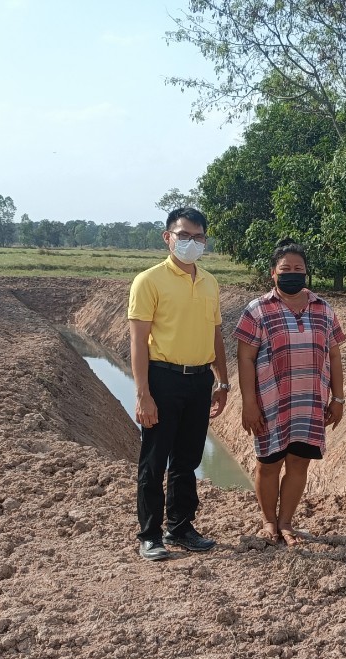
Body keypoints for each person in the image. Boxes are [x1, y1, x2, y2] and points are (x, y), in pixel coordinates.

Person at [128, 207, 230, 561]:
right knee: (154, 462)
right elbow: (138, 342)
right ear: (167, 237)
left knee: (187, 460)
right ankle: (151, 534)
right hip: (163, 379)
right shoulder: (149, 281)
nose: (191, 243)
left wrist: (223, 381)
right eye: (183, 235)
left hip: (199, 379)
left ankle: (181, 526)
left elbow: (215, 334)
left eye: (198, 237)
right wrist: (143, 394)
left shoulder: (209, 282)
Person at [234, 240, 346, 547]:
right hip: (270, 402)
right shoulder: (257, 310)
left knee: (299, 463)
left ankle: (286, 523)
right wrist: (249, 403)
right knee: (268, 463)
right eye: (286, 269)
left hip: (310, 402)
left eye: (299, 269)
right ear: (273, 273)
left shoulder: (323, 308)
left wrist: (337, 399)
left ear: (307, 272)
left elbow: (333, 355)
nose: (292, 274)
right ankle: (269, 521)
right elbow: (244, 358)